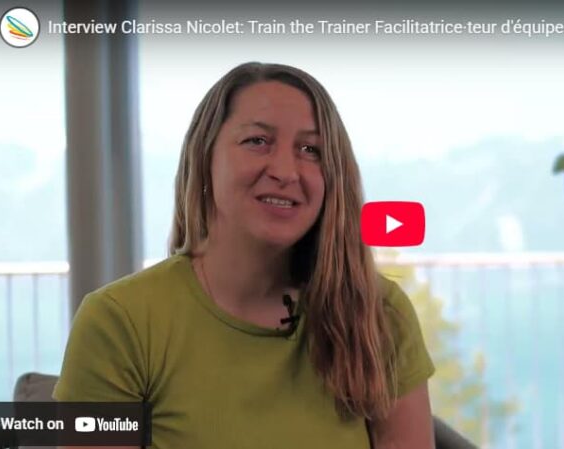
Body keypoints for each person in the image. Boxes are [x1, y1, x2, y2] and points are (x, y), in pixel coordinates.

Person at [53, 62, 436, 449]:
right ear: (205, 158)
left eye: (310, 150)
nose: (286, 171)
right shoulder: (119, 322)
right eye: (257, 141)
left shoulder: (379, 314)